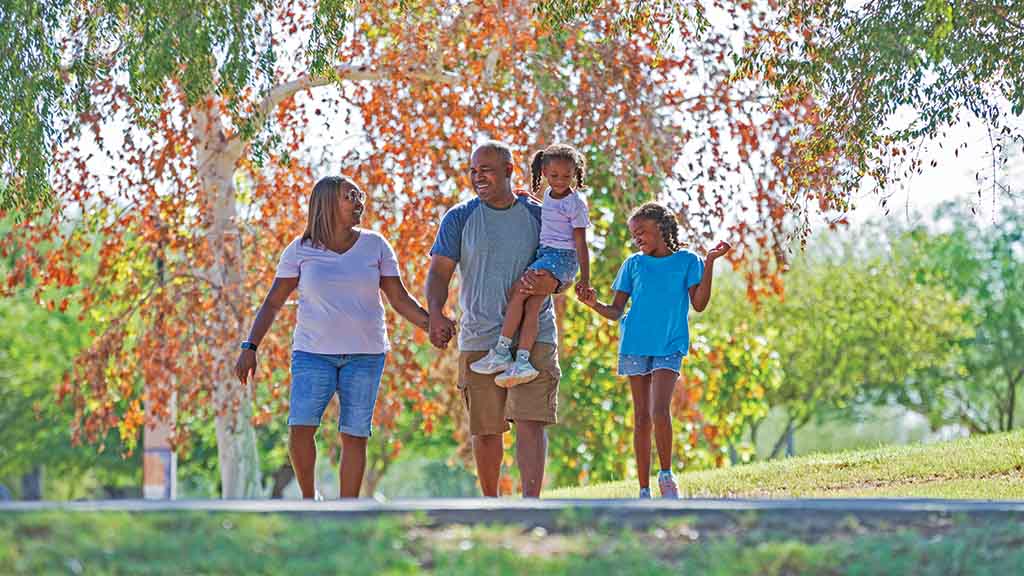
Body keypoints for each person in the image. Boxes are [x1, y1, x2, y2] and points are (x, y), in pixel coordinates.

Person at [234, 175, 430, 499]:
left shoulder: (375, 245)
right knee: (300, 429)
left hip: (366, 354)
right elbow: (272, 301)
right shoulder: (300, 250)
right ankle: (310, 502)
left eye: (359, 195)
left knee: (355, 434)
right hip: (313, 353)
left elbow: (399, 298)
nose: (359, 202)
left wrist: (431, 324)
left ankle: (348, 509)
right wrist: (250, 346)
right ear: (326, 204)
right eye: (349, 196)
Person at [425, 141, 561, 498]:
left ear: (508, 170)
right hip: (480, 337)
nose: (477, 177)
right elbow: (439, 272)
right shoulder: (459, 217)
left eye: (486, 169)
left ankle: (531, 503)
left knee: (531, 421)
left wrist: (554, 282)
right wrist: (436, 312)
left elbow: (565, 265)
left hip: (534, 335)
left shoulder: (537, 214)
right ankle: (491, 505)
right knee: (486, 429)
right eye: (473, 170)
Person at [579, 202, 731, 499]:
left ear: (661, 229)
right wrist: (594, 304)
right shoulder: (633, 264)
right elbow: (615, 311)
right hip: (635, 343)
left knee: (659, 410)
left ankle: (665, 476)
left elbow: (699, 304)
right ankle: (644, 489)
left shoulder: (688, 260)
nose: (638, 240)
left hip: (670, 344)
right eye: (635, 236)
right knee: (641, 418)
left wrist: (710, 261)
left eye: (643, 232)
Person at [470, 143, 591, 387]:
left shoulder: (576, 204)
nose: (560, 181)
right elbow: (551, 212)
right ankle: (522, 361)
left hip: (561, 257)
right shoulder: (548, 195)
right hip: (546, 254)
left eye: (567, 176)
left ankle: (502, 351)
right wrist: (527, 196)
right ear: (544, 172)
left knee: (518, 293)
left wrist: (584, 279)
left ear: (575, 173)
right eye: (554, 175)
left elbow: (581, 243)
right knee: (533, 304)